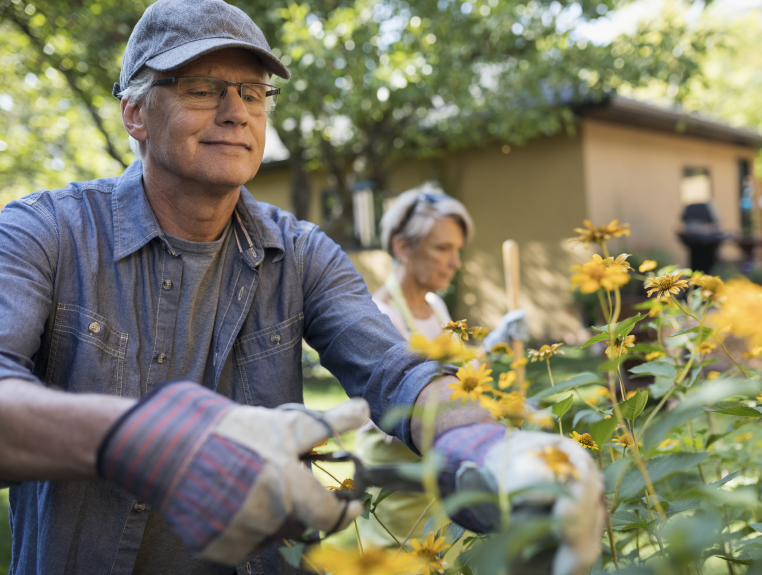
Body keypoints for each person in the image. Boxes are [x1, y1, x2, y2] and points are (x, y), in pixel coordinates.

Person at [0, 1, 605, 574]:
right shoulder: (44, 234)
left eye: (254, 93)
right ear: (135, 113)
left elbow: (397, 373)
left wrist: (485, 446)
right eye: (202, 89)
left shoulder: (303, 253)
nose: (236, 111)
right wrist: (152, 442)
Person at [356, 183, 527, 547]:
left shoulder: (436, 307)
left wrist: (494, 343)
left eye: (457, 250)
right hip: (399, 490)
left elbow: (449, 377)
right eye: (443, 248)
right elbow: (402, 398)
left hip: (441, 479)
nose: (455, 262)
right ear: (403, 247)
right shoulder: (379, 317)